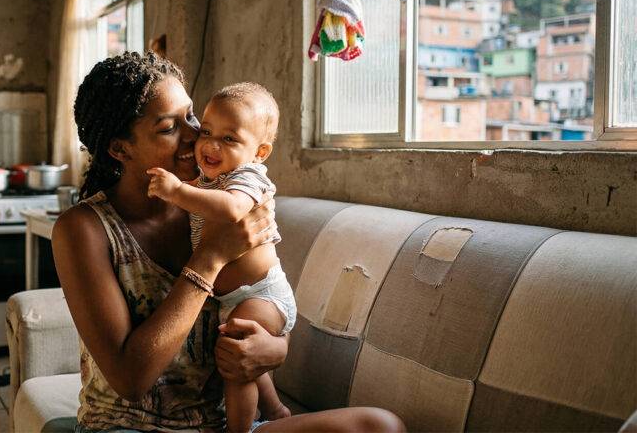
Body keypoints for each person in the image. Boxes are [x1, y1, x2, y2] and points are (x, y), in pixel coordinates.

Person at [52, 51, 406, 433]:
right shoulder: (85, 229)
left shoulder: (217, 200)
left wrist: (274, 349)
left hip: (225, 424)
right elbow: (130, 379)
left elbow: (257, 295)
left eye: (191, 116)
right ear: (121, 149)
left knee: (380, 426)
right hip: (130, 427)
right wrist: (211, 257)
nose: (195, 135)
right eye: (169, 128)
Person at [146, 83, 295, 433]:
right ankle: (274, 410)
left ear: (260, 152)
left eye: (229, 139)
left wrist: (177, 191)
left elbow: (231, 209)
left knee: (233, 359)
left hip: (261, 293)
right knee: (242, 353)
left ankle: (238, 429)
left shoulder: (247, 177)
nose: (211, 145)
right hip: (231, 299)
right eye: (207, 132)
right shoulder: (206, 181)